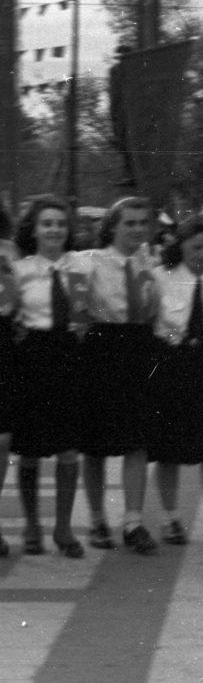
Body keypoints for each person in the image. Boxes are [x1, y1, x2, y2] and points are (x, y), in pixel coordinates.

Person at [145, 216, 203, 549]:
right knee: (168, 448)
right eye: (195, 246)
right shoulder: (160, 277)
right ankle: (171, 518)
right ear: (181, 244)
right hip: (172, 363)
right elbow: (153, 322)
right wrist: (178, 337)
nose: (202, 253)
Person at [76, 197, 161, 554]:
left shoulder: (153, 264)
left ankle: (133, 522)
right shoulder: (89, 262)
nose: (138, 229)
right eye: (130, 223)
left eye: (143, 223)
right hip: (102, 348)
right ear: (112, 226)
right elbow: (78, 310)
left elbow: (162, 315)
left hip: (139, 346)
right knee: (95, 445)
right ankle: (96, 520)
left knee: (137, 440)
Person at [7, 199, 86, 557]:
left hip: (70, 354)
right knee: (30, 449)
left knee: (68, 447)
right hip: (32, 357)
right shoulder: (20, 269)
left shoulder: (81, 266)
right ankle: (32, 525)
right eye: (46, 224)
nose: (54, 229)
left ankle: (63, 528)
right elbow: (9, 312)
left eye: (60, 223)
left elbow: (92, 308)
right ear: (33, 230)